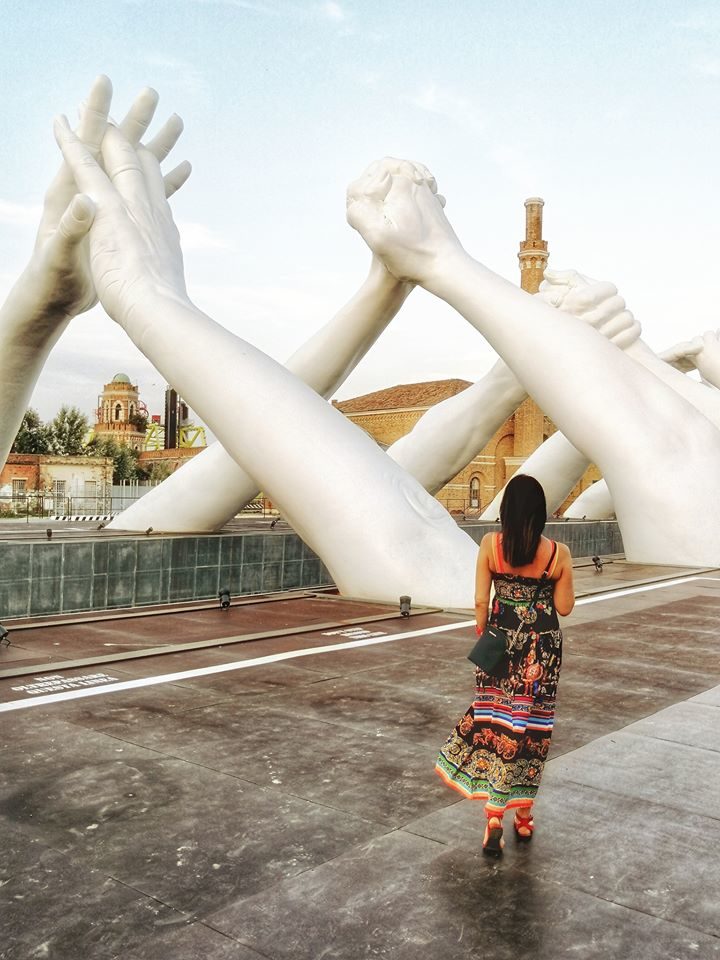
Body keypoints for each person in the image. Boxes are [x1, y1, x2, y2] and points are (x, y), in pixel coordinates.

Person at [435, 474, 575, 855]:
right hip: (541, 652)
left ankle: (493, 815)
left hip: (498, 647)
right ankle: (522, 814)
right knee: (531, 729)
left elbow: (480, 602)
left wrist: (489, 627)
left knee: (499, 723)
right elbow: (563, 607)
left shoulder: (490, 546)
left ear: (506, 510)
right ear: (541, 512)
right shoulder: (558, 554)